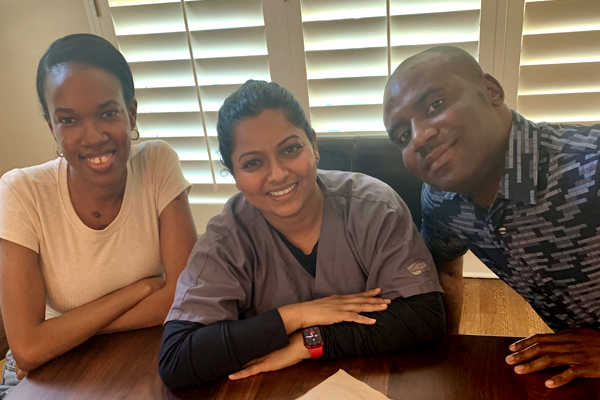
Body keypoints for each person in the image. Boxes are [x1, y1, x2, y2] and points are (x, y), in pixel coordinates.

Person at [158, 80, 445, 389]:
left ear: (314, 146)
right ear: (234, 175)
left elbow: (424, 317)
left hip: (377, 379)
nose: (278, 173)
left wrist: (312, 341)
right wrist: (299, 315)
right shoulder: (226, 238)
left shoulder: (375, 207)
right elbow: (178, 359)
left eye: (290, 149)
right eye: (253, 162)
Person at [383, 45, 600, 389]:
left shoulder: (590, 166)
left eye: (435, 105)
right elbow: (444, 266)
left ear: (491, 91)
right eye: (402, 135)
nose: (419, 137)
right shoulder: (442, 201)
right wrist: (449, 350)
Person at [0, 34, 197, 397]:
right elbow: (27, 348)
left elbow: (183, 297)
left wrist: (61, 333)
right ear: (51, 127)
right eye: (69, 120)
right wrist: (139, 290)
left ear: (131, 112)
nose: (92, 137)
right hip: (46, 373)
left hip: (136, 353)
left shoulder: (156, 162)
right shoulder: (20, 191)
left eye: (108, 113)